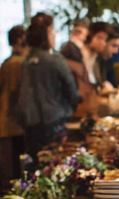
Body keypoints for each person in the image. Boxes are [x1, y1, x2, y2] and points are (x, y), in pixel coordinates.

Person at [17, 12, 81, 162]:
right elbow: (72, 91)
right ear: (47, 33)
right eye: (53, 30)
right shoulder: (55, 60)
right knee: (53, 165)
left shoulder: (25, 61)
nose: (55, 35)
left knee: (35, 163)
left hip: (30, 123)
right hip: (54, 121)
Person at [0, 25, 26, 186]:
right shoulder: (23, 64)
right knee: (21, 170)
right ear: (20, 41)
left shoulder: (7, 65)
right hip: (22, 123)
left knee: (10, 171)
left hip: (7, 123)